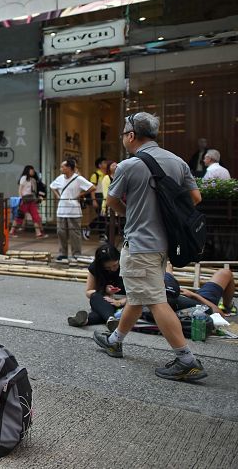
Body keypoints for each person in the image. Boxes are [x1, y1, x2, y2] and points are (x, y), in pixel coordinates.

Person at [93, 112, 207, 382]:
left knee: (155, 300)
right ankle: (115, 340)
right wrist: (167, 217)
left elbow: (111, 202)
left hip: (140, 243)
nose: (123, 137)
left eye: (123, 133)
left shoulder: (128, 166)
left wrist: (134, 213)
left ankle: (186, 360)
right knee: (139, 293)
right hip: (163, 244)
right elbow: (195, 197)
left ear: (131, 135)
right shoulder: (177, 161)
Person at [68, 244, 126, 328]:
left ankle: (86, 320)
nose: (113, 269)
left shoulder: (127, 264)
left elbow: (138, 293)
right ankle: (111, 319)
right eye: (108, 268)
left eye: (115, 265)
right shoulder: (95, 267)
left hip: (127, 302)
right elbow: (88, 292)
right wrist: (104, 290)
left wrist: (120, 302)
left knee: (103, 311)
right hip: (106, 302)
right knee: (95, 296)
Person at [50, 159, 95, 263]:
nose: (61, 168)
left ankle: (76, 254)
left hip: (74, 210)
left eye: (63, 167)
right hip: (61, 210)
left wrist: (79, 195)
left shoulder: (78, 179)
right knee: (61, 232)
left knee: (74, 233)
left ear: (69, 168)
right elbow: (52, 186)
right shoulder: (60, 178)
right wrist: (58, 196)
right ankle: (62, 253)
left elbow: (92, 187)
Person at [165, 267, 235, 317]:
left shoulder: (165, 288)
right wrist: (194, 295)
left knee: (225, 272)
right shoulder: (166, 304)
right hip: (202, 303)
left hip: (184, 296)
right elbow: (220, 314)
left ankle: (227, 306)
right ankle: (226, 307)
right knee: (225, 273)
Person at [10, 165, 46, 239]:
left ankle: (38, 233)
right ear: (28, 170)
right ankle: (12, 231)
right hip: (25, 199)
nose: (33, 171)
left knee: (35, 215)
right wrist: (21, 199)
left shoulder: (32, 179)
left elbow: (33, 190)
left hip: (31, 199)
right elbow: (20, 189)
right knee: (19, 216)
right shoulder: (23, 178)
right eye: (31, 170)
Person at [84, 157, 109, 240]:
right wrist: (94, 200)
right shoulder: (95, 175)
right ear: (99, 165)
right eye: (104, 162)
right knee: (102, 215)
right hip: (98, 196)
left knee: (103, 215)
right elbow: (92, 189)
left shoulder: (107, 174)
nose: (106, 164)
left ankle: (97, 231)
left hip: (105, 196)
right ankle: (97, 232)